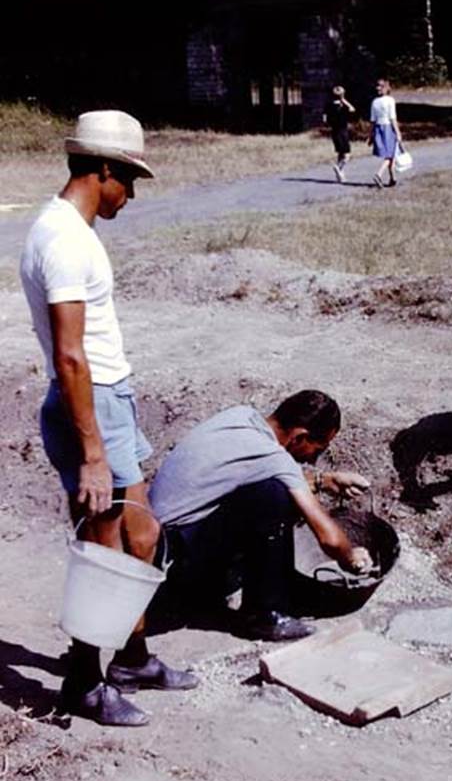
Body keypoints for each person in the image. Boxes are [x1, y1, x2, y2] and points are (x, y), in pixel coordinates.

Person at [20, 110, 197, 728]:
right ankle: (82, 683)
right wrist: (93, 451)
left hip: (107, 402)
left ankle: (131, 656)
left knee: (141, 535)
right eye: (129, 179)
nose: (132, 193)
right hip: (88, 408)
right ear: (102, 170)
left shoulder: (64, 229)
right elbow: (70, 355)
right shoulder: (66, 241)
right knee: (105, 546)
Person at [149, 390, 373, 641]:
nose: (314, 458)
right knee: (274, 495)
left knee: (267, 491)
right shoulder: (273, 457)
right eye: (317, 449)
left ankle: (218, 588)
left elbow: (248, 474)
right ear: (300, 436)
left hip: (154, 543)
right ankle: (263, 616)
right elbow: (329, 539)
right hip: (170, 569)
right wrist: (350, 555)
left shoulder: (239, 417)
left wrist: (323, 480)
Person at [369, 78, 403, 188]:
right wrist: (398, 132)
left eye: (380, 86)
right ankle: (379, 174)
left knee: (390, 154)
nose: (378, 88)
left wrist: (371, 135)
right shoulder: (390, 100)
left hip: (379, 128)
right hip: (388, 127)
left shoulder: (375, 102)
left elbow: (373, 120)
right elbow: (392, 118)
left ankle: (393, 178)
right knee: (390, 154)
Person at [323, 85, 356, 183]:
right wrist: (344, 100)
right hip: (343, 130)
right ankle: (338, 167)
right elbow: (352, 109)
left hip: (334, 131)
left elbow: (325, 119)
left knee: (340, 153)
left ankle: (340, 174)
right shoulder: (343, 107)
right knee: (347, 155)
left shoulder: (328, 105)